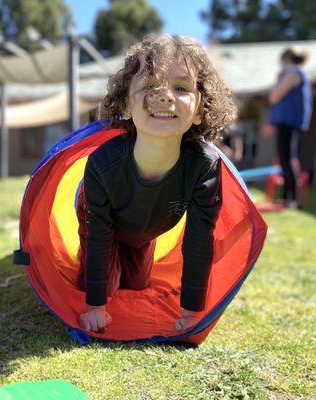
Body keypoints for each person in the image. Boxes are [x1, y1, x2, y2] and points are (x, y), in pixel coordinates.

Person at [76, 34, 237, 333]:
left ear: (200, 110)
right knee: (106, 286)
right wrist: (95, 307)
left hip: (146, 229)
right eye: (150, 86)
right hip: (100, 217)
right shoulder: (103, 163)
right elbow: (98, 233)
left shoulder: (204, 166)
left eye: (181, 87)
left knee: (137, 285)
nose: (164, 96)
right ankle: (101, 275)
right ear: (125, 105)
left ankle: (130, 256)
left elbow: (200, 239)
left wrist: (191, 312)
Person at [261, 47, 312, 208]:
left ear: (287, 58)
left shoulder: (292, 73)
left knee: (287, 160)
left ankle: (291, 199)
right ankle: (288, 198)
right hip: (289, 123)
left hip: (289, 123)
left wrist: (278, 79)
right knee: (287, 160)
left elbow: (275, 96)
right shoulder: (297, 73)